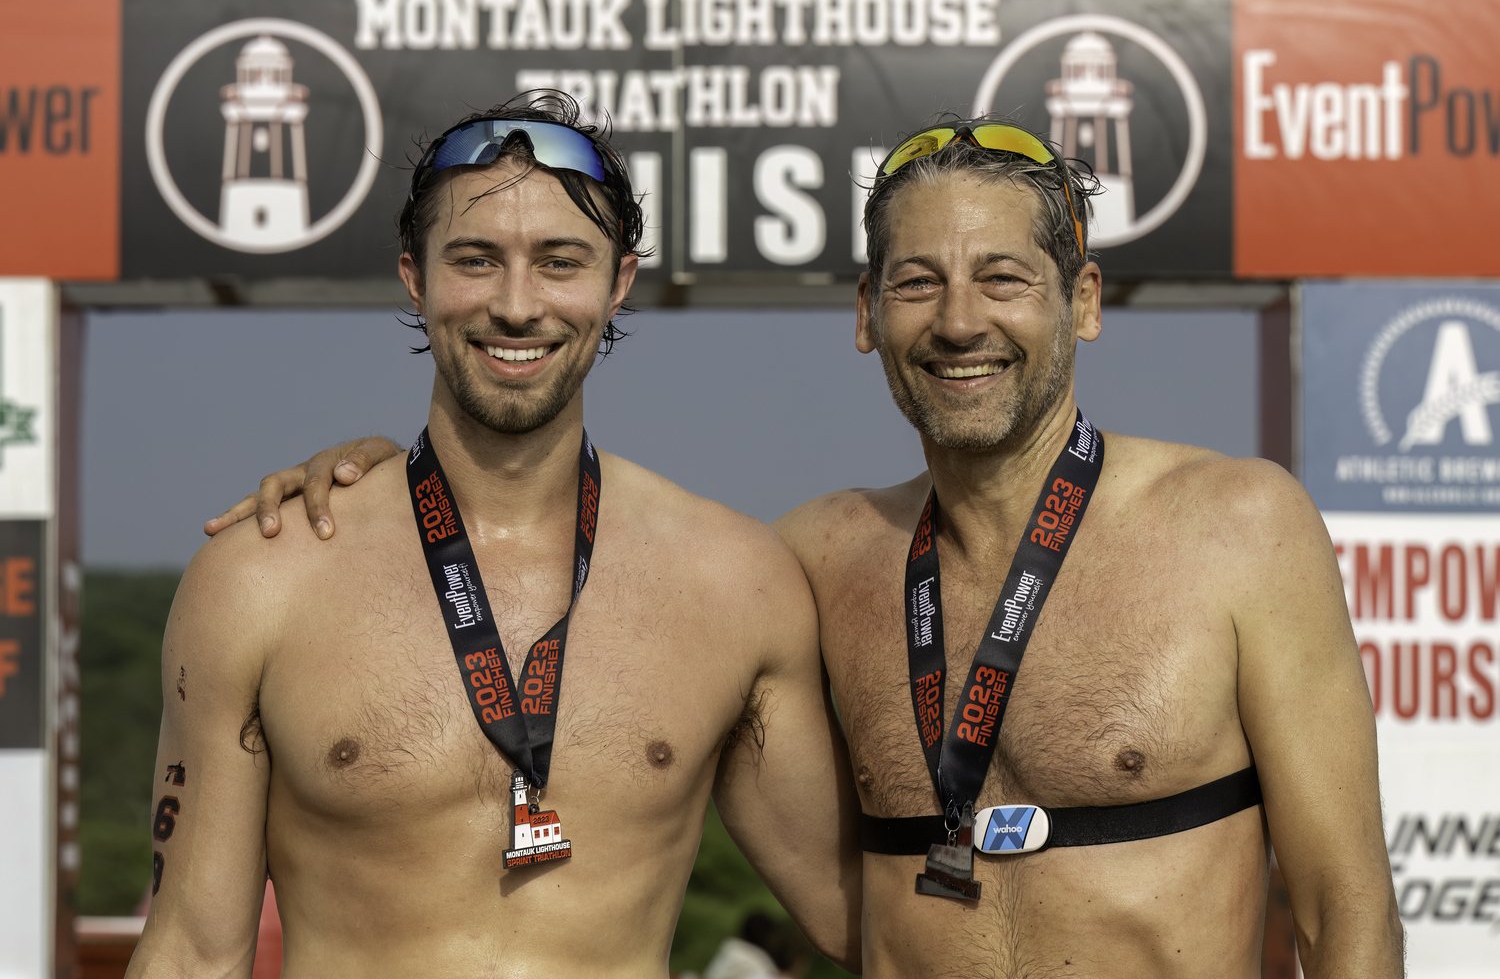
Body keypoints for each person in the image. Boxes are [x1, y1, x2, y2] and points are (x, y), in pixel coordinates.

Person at [217, 119, 1403, 977]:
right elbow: (584, 563)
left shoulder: (1241, 525)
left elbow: (1347, 909)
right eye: (916, 284)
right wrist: (376, 479)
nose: (958, 322)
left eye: (1005, 280)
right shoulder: (806, 566)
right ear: (864, 313)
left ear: (1082, 300)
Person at [133, 94, 861, 979]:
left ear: (619, 282)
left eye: (561, 262)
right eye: (476, 260)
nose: (517, 306)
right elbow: (190, 955)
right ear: (416, 277)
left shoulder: (736, 583)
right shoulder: (263, 575)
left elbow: (861, 917)